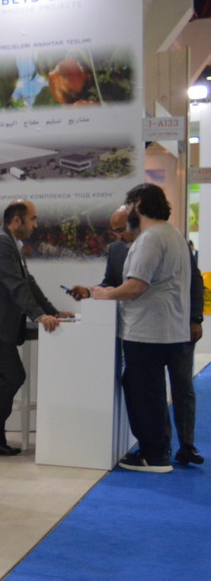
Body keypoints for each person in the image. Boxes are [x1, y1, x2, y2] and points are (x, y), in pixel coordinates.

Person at [70, 206, 205, 466]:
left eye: (121, 229)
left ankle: (186, 446)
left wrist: (195, 319)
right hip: (143, 330)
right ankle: (160, 447)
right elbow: (111, 283)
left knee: (181, 387)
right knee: (151, 390)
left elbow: (193, 281)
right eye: (114, 231)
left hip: (177, 327)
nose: (118, 235)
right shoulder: (117, 250)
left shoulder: (165, 239)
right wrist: (89, 291)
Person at [92, 183, 193, 472]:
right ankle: (158, 449)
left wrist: (105, 294)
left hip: (148, 330)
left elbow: (136, 286)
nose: (127, 212)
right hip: (169, 328)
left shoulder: (150, 238)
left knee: (144, 393)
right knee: (151, 392)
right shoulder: (173, 234)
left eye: (129, 205)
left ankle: (154, 454)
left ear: (138, 205)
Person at [0, 200, 73, 456]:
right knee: (13, 376)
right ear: (17, 220)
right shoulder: (0, 242)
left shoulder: (9, 242)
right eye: (33, 219)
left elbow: (28, 282)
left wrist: (51, 312)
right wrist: (38, 315)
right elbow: (15, 285)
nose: (35, 225)